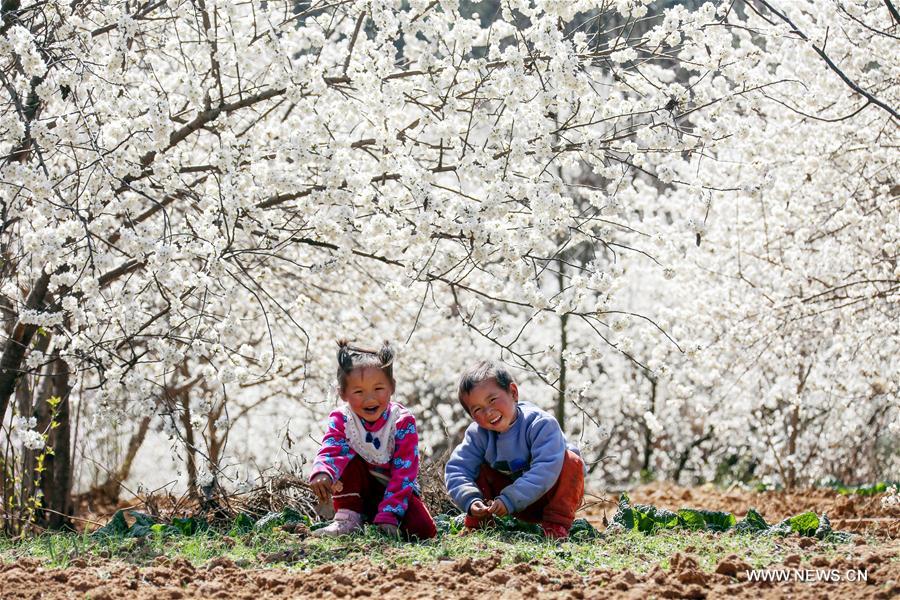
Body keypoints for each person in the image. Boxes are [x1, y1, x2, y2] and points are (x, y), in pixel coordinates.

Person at [308, 340, 436, 539]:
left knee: (423, 529)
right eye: (358, 392)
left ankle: (379, 516)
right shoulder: (343, 419)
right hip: (357, 487)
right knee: (343, 457)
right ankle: (348, 518)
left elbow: (404, 472)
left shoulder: (401, 421)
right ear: (342, 393)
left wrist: (390, 513)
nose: (370, 399)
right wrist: (322, 471)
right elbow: (331, 448)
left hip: (392, 489)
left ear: (392, 387)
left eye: (378, 389)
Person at [444, 360, 584, 538]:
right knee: (476, 466)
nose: (488, 412)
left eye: (493, 400)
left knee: (571, 461)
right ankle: (480, 522)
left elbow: (545, 470)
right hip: (504, 505)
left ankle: (556, 526)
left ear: (513, 392)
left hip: (547, 498)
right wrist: (470, 501)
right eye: (477, 409)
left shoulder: (540, 425)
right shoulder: (478, 435)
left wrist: (509, 499)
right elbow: (457, 469)